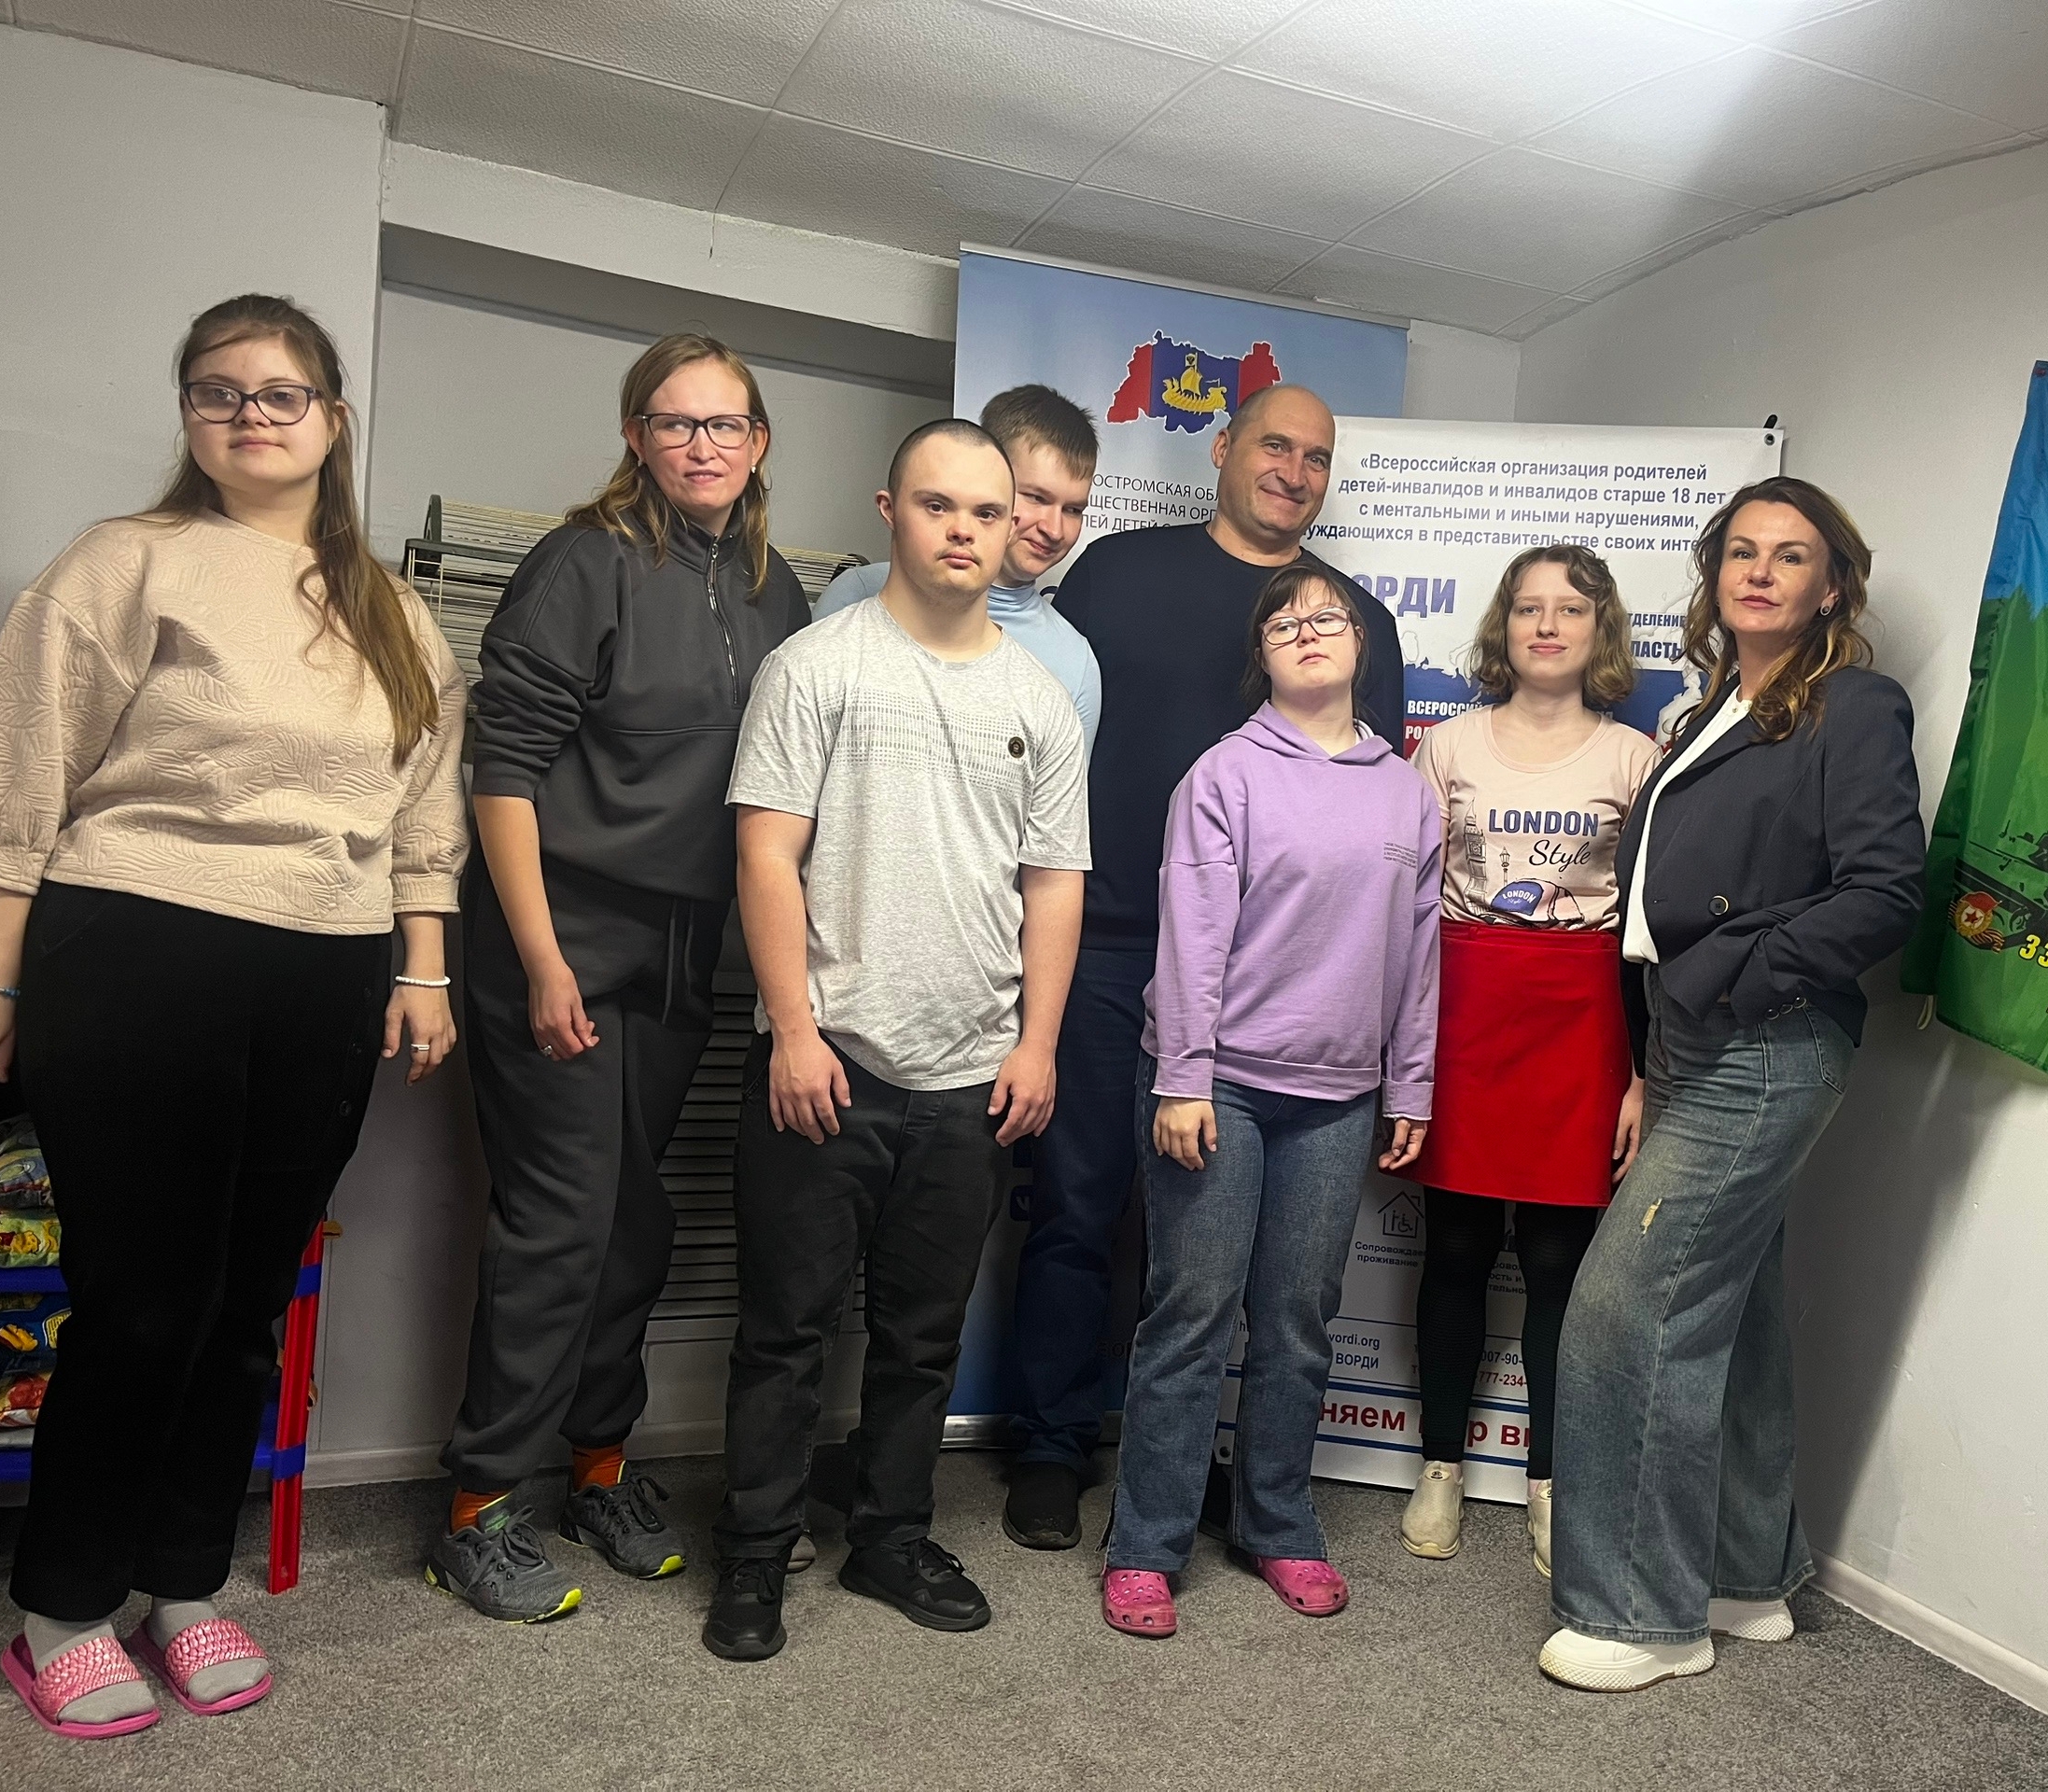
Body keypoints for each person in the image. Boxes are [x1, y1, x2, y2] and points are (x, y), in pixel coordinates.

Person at [0, 295, 466, 1734]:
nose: (251, 413)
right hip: (137, 945)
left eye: (280, 392)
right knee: (141, 1302)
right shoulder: (124, 561)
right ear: (190, 414)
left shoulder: (393, 611)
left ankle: (182, 1587)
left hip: (328, 971)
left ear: (333, 418)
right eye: (218, 391)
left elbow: (422, 810)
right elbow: (17, 777)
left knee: (246, 1306)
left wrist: (424, 969)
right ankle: (64, 1610)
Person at [428, 334, 812, 1623]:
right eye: (675, 421)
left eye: (725, 422)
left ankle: (598, 1464)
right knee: (560, 1219)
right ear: (637, 437)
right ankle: (479, 1505)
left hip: (684, 948)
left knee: (635, 1221)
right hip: (560, 935)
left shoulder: (771, 588)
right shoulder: (582, 561)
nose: (703, 444)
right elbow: (502, 771)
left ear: (758, 441)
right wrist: (542, 959)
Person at [705, 420, 1087, 1661]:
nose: (964, 530)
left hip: (971, 1074)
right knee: (785, 1331)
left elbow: (1054, 884)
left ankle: (889, 1537)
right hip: (827, 1064)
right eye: (938, 505)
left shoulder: (1041, 699)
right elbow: (766, 852)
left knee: (922, 1338)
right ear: (891, 512)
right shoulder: (816, 667)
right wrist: (793, 1032)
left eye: (987, 511)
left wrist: (1036, 1044)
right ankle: (755, 1554)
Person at [1537, 478, 1924, 1693]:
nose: (1759, 572)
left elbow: (1884, 891)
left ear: (1831, 587)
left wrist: (1743, 978)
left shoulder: (1853, 705)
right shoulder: (1710, 707)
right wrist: (1657, 1045)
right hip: (1689, 1045)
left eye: (1790, 555)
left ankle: (1643, 1617)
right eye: (1742, 552)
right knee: (1734, 1308)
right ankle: (1745, 1576)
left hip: (1766, 1045)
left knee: (1627, 1309)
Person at [1005, 384, 1408, 1550]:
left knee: (1241, 1259)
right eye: (1274, 445)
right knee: (1078, 1206)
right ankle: (1051, 1443)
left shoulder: (1349, 618)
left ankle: (1200, 1468)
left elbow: (1368, 797)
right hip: (1107, 941)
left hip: (1271, 979)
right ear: (1223, 448)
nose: (1294, 470)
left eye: (1316, 457)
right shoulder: (1116, 573)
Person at [1101, 564, 1439, 1640]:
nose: (1306, 631)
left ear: (1361, 645)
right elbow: (1191, 936)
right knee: (1191, 1315)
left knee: (1297, 1321)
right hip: (1223, 1089)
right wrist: (1183, 1076)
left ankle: (1277, 1524)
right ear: (1263, 654)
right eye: (1283, 622)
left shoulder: (1405, 791)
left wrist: (1410, 1082)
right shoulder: (1225, 775)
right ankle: (1145, 1546)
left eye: (1326, 616)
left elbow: (1418, 955)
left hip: (1338, 1097)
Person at [1398, 546, 1660, 1570]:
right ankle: (1439, 1466)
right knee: (1456, 1248)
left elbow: (1651, 929)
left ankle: (1550, 1479)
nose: (1547, 626)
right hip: (1465, 1008)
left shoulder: (1635, 759)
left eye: (1570, 609)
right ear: (1502, 628)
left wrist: (1641, 1071)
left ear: (1601, 631)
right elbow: (1406, 902)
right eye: (1528, 608)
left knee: (1561, 1264)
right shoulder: (1446, 748)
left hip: (1584, 1016)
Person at [818, 384, 1101, 756]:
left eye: (1073, 509)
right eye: (1036, 497)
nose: (1054, 529)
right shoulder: (855, 594)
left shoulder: (1075, 661)